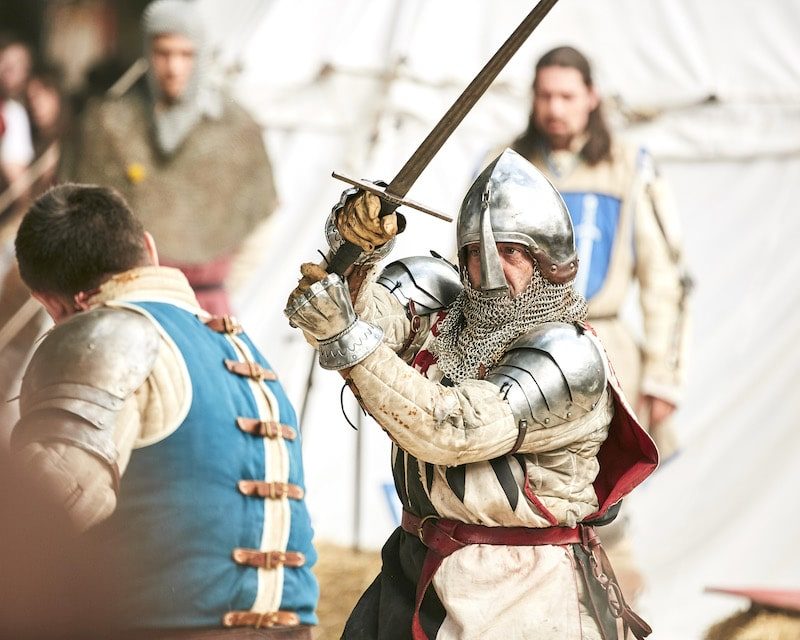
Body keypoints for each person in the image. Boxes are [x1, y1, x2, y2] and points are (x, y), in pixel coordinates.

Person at [285, 149, 658, 639]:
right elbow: (347, 315)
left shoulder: (569, 357)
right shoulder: (445, 306)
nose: (492, 269)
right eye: (477, 253)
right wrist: (355, 253)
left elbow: (451, 429)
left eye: (510, 251)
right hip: (416, 568)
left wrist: (345, 335)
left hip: (519, 592)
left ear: (549, 261)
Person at [11, 183, 318, 638]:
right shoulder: (241, 347)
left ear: (48, 302)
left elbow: (45, 520)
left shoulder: (108, 339)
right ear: (149, 249)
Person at [508, 45, 692, 600]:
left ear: (591, 97)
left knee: (603, 501)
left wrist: (663, 376)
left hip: (603, 350)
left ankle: (613, 617)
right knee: (522, 502)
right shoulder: (509, 166)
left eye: (566, 96)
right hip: (518, 351)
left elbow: (665, 279)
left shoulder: (628, 165)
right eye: (544, 96)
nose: (554, 108)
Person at [65, 0, 278, 315]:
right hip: (124, 302)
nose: (173, 68)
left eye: (185, 54)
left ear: (200, 54)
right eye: (163, 53)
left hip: (206, 306)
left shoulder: (235, 128)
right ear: (148, 53)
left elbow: (259, 222)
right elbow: (78, 216)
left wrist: (218, 286)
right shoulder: (109, 122)